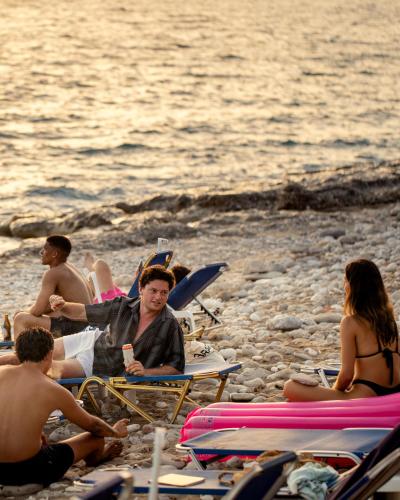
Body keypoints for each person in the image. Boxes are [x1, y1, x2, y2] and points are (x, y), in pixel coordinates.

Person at [0, 266, 185, 379]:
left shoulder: (170, 325)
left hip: (98, 363)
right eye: (153, 291)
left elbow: (176, 368)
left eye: (164, 292)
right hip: (91, 339)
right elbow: (83, 311)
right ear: (141, 288)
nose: (158, 297)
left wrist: (146, 372)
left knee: (44, 367)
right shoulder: (123, 305)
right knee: (24, 355)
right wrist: (63, 305)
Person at [0, 327, 128, 487]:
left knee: (39, 437)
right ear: (49, 354)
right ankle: (97, 457)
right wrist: (115, 432)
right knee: (94, 438)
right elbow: (93, 426)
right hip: (30, 469)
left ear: (17, 353)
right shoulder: (52, 388)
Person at [284, 259, 400, 401]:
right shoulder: (390, 321)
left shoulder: (351, 322)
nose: (344, 285)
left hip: (366, 395)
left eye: (345, 280)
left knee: (290, 387)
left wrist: (335, 395)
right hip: (395, 391)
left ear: (353, 286)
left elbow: (346, 375)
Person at [13, 235, 92, 339]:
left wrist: (22, 312)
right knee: (51, 313)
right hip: (89, 323)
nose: (41, 252)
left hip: (78, 328)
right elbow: (50, 306)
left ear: (54, 254)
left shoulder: (53, 273)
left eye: (45, 249)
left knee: (20, 318)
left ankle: (19, 349)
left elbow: (37, 310)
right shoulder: (69, 268)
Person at [84, 251, 190, 303]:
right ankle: (90, 269)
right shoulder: (165, 295)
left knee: (101, 265)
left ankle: (90, 266)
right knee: (94, 279)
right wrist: (138, 280)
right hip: (125, 300)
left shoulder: (161, 294)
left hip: (117, 304)